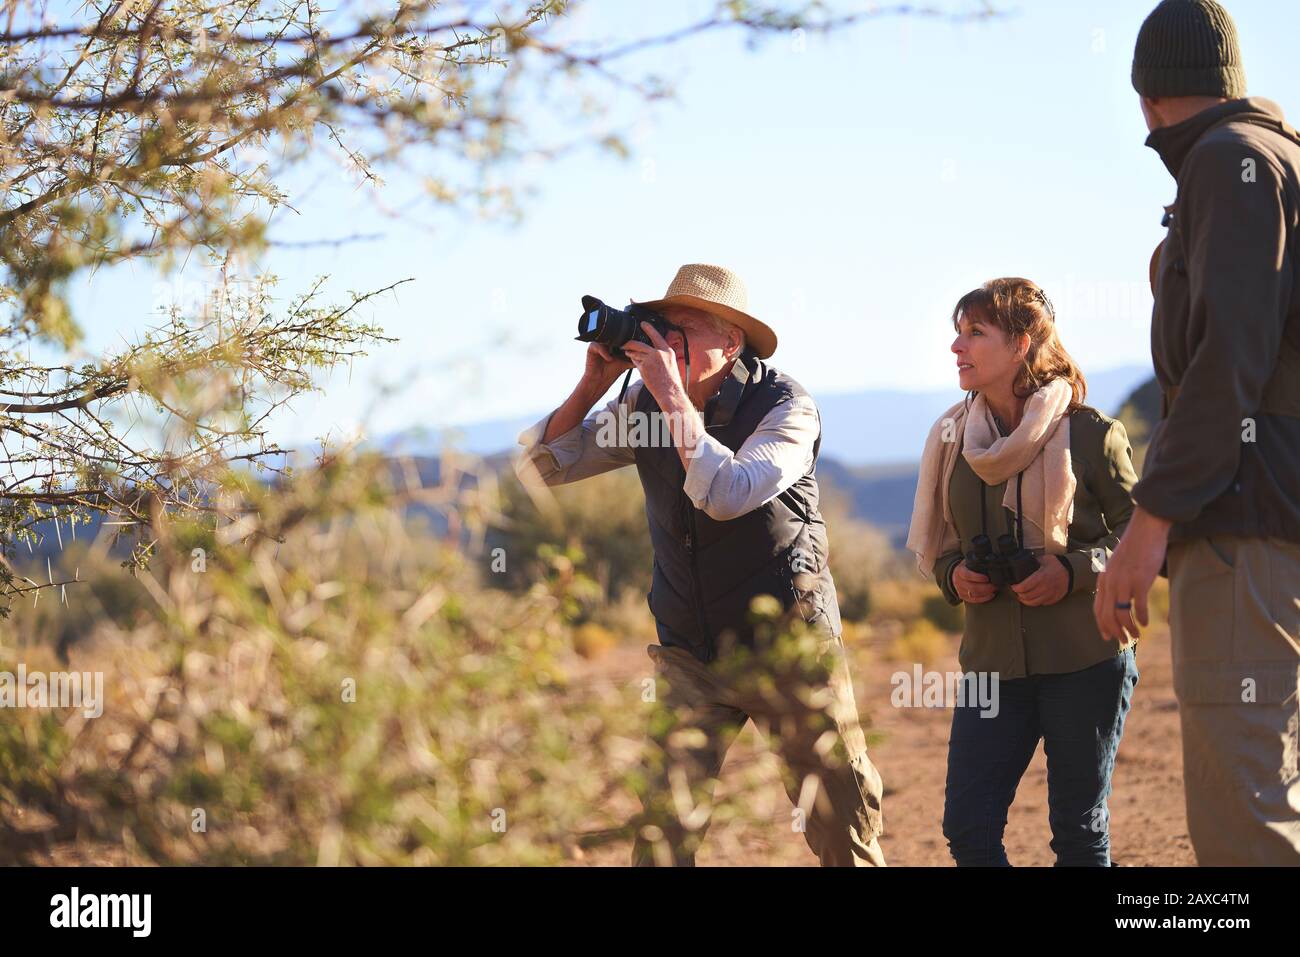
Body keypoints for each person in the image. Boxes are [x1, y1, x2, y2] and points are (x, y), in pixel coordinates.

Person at [514, 263, 885, 866]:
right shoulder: (641, 402)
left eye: (684, 326)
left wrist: (669, 395)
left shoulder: (786, 406)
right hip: (691, 649)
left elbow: (728, 493)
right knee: (664, 828)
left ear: (731, 341)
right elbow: (537, 469)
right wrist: (593, 386)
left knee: (837, 821)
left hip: (786, 646)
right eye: (662, 326)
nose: (667, 340)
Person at [1094, 0, 1300, 864]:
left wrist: (1148, 527)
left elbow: (1225, 371)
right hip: (1277, 520)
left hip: (1246, 526)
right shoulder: (1273, 157)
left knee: (1244, 818)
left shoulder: (1228, 163)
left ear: (1147, 96)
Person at [908, 278, 1141, 866]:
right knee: (968, 829)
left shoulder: (1092, 434)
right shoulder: (952, 438)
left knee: (1079, 835)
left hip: (1085, 661)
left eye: (974, 334)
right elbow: (942, 545)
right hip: (991, 668)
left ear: (1022, 342)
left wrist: (1076, 570)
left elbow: (1144, 537)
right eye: (957, 334)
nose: (956, 348)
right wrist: (954, 574)